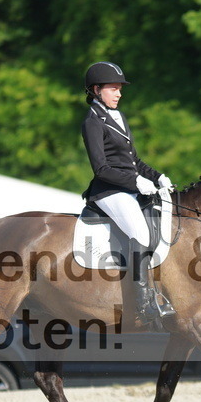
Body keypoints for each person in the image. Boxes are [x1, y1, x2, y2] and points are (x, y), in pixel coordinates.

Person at [80, 61, 175, 330]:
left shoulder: (117, 117)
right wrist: (136, 182)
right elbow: (101, 168)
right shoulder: (92, 122)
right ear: (97, 90)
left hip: (129, 186)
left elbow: (134, 160)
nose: (119, 93)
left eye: (119, 88)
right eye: (113, 89)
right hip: (108, 190)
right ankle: (143, 302)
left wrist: (156, 177)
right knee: (141, 234)